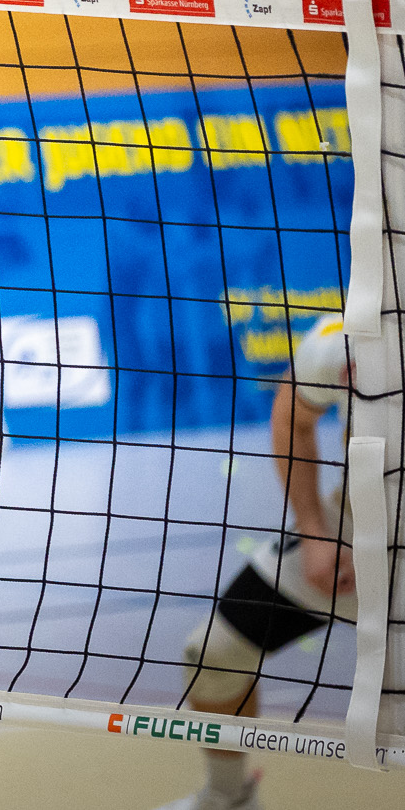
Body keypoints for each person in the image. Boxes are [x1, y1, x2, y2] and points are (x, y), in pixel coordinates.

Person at [156, 314, 357, 810]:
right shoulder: (349, 340)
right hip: (355, 538)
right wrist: (315, 533)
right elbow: (292, 417)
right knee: (213, 654)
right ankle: (229, 797)